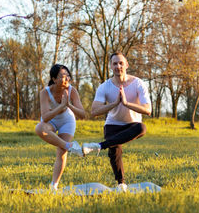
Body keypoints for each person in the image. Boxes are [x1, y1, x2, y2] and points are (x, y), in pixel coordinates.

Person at [82, 52, 151, 192]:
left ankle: (98, 146)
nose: (118, 66)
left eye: (121, 63)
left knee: (142, 128)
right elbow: (94, 111)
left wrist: (126, 103)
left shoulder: (138, 83)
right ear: (111, 67)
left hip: (132, 124)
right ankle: (121, 184)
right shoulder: (105, 86)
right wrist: (114, 104)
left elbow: (148, 110)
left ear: (126, 65)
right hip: (113, 124)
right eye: (115, 64)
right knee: (115, 150)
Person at [35, 64, 86, 191]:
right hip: (50, 121)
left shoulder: (72, 91)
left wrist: (68, 105)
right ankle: (69, 146)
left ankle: (54, 186)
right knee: (39, 128)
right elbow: (45, 117)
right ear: (54, 79)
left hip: (67, 121)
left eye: (68, 76)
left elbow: (82, 114)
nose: (67, 79)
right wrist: (60, 107)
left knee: (61, 153)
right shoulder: (45, 93)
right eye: (63, 76)